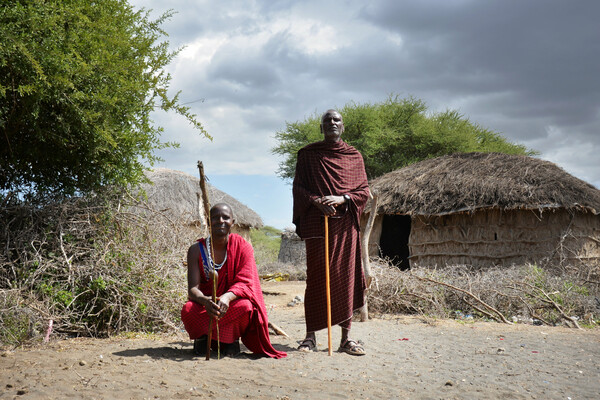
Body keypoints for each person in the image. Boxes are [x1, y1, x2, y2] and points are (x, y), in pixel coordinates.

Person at [292, 109, 370, 355]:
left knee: (345, 278)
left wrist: (341, 198)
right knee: (316, 278)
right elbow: (298, 188)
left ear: (343, 126)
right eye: (327, 120)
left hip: (345, 226)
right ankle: (310, 337)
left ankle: (346, 338)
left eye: (336, 120)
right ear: (321, 127)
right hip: (318, 223)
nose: (332, 123)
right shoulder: (308, 155)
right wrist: (316, 201)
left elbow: (364, 192)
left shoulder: (354, 156)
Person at [181, 203, 286, 359]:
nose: (220, 221)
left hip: (231, 304)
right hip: (206, 306)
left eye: (225, 217)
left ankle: (230, 339)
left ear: (233, 222)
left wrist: (227, 297)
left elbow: (246, 282)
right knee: (188, 310)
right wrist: (206, 301)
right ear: (209, 222)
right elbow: (193, 289)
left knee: (246, 307)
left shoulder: (244, 247)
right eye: (215, 218)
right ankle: (204, 339)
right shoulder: (196, 250)